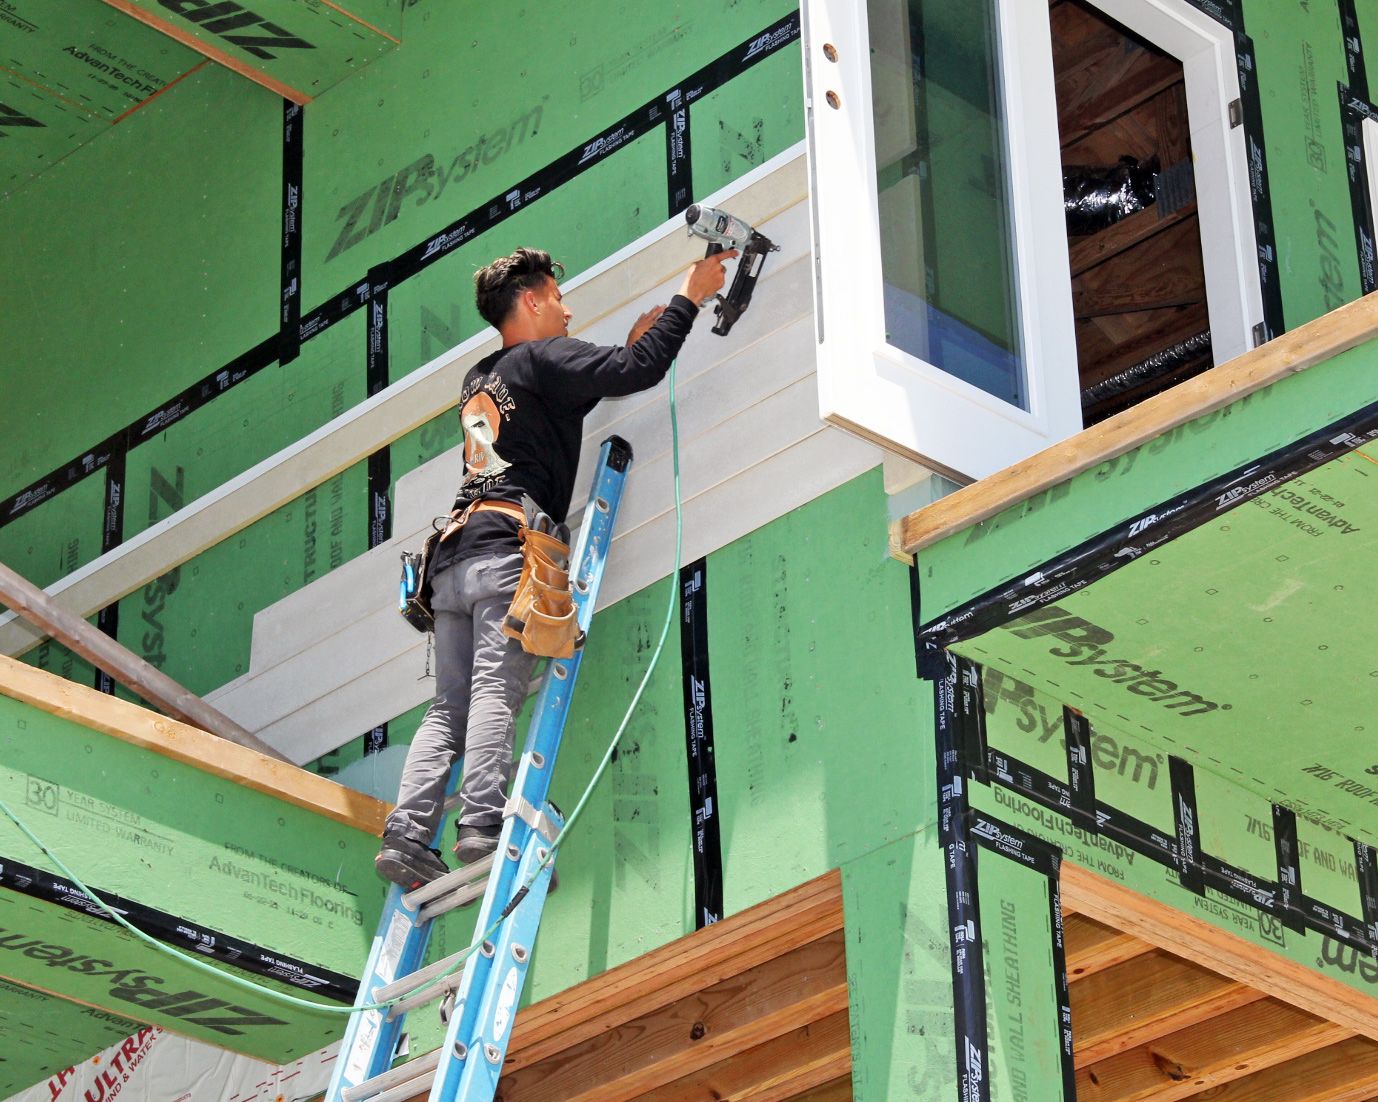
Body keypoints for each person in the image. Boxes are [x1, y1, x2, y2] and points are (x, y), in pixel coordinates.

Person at [375, 244, 736, 888]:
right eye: (560, 300)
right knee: (494, 690)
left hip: (452, 561)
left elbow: (554, 410)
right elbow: (640, 370)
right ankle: (483, 828)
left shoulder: (483, 379)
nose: (568, 313)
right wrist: (691, 291)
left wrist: (613, 355)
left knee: (447, 707)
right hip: (505, 554)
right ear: (534, 299)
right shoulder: (541, 358)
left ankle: (406, 837)